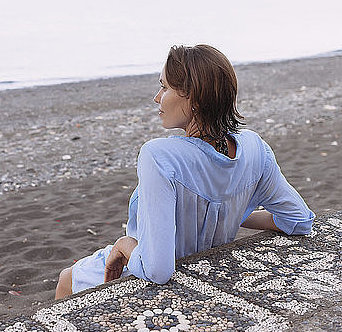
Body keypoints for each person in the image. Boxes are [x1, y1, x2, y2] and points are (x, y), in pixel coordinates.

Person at [55, 44, 315, 299]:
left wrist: (124, 245)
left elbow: (157, 269)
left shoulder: (160, 156)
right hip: (204, 265)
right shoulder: (255, 149)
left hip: (144, 270)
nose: (157, 98)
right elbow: (299, 220)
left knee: (67, 278)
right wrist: (232, 211)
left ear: (195, 99)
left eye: (164, 87)